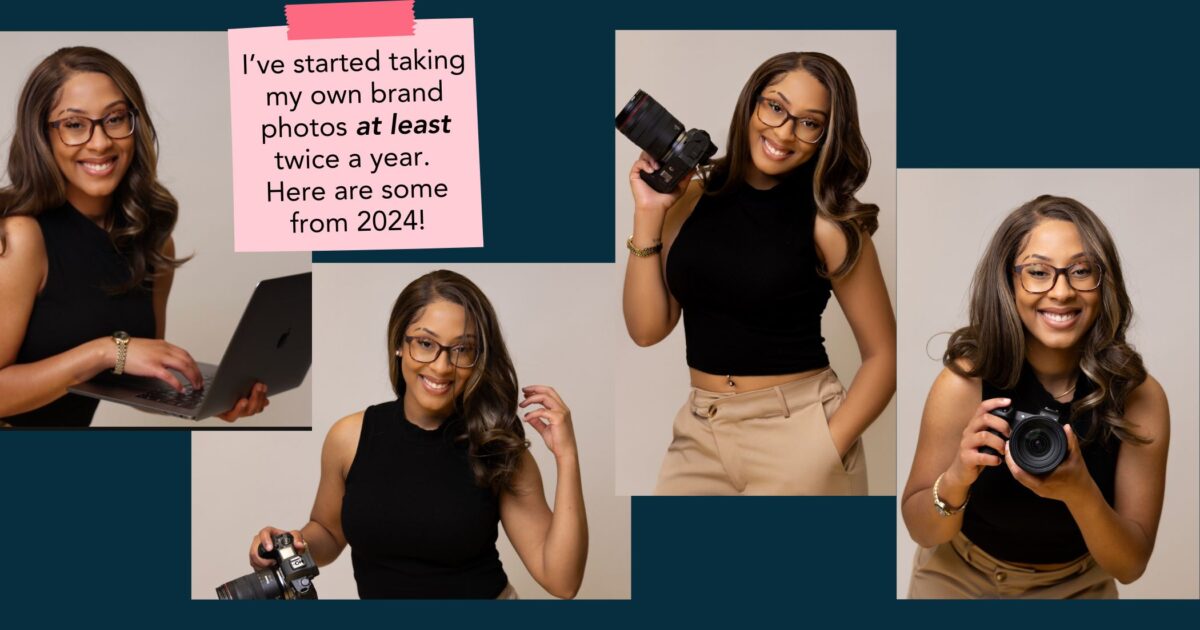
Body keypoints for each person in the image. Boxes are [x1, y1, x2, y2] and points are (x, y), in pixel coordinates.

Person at [622, 52, 895, 495]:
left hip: (800, 429)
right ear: (751, 104)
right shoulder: (688, 199)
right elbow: (646, 329)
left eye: (809, 123)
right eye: (775, 107)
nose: (784, 132)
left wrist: (827, 446)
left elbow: (884, 355)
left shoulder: (830, 222)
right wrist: (648, 214)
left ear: (826, 135)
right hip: (700, 430)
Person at [250, 270, 588, 599]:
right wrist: (292, 546)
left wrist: (567, 457)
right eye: (425, 343)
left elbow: (562, 582)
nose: (441, 366)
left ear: (478, 358)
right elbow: (328, 532)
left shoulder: (495, 445)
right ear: (399, 343)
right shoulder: (348, 438)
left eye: (462, 349)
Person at [900, 195, 1169, 598]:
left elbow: (1130, 566)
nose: (1061, 292)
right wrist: (957, 476)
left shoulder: (1138, 398)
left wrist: (1080, 492)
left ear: (1104, 281)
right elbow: (921, 529)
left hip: (1079, 585)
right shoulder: (965, 383)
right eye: (1038, 272)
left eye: (1080, 271)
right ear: (1008, 281)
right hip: (959, 577)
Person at [0, 46, 268, 426]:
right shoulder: (20, 237)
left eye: (115, 119)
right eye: (74, 124)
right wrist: (106, 351)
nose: (100, 142)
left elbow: (129, 375)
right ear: (42, 135)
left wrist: (204, 397)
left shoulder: (153, 242)